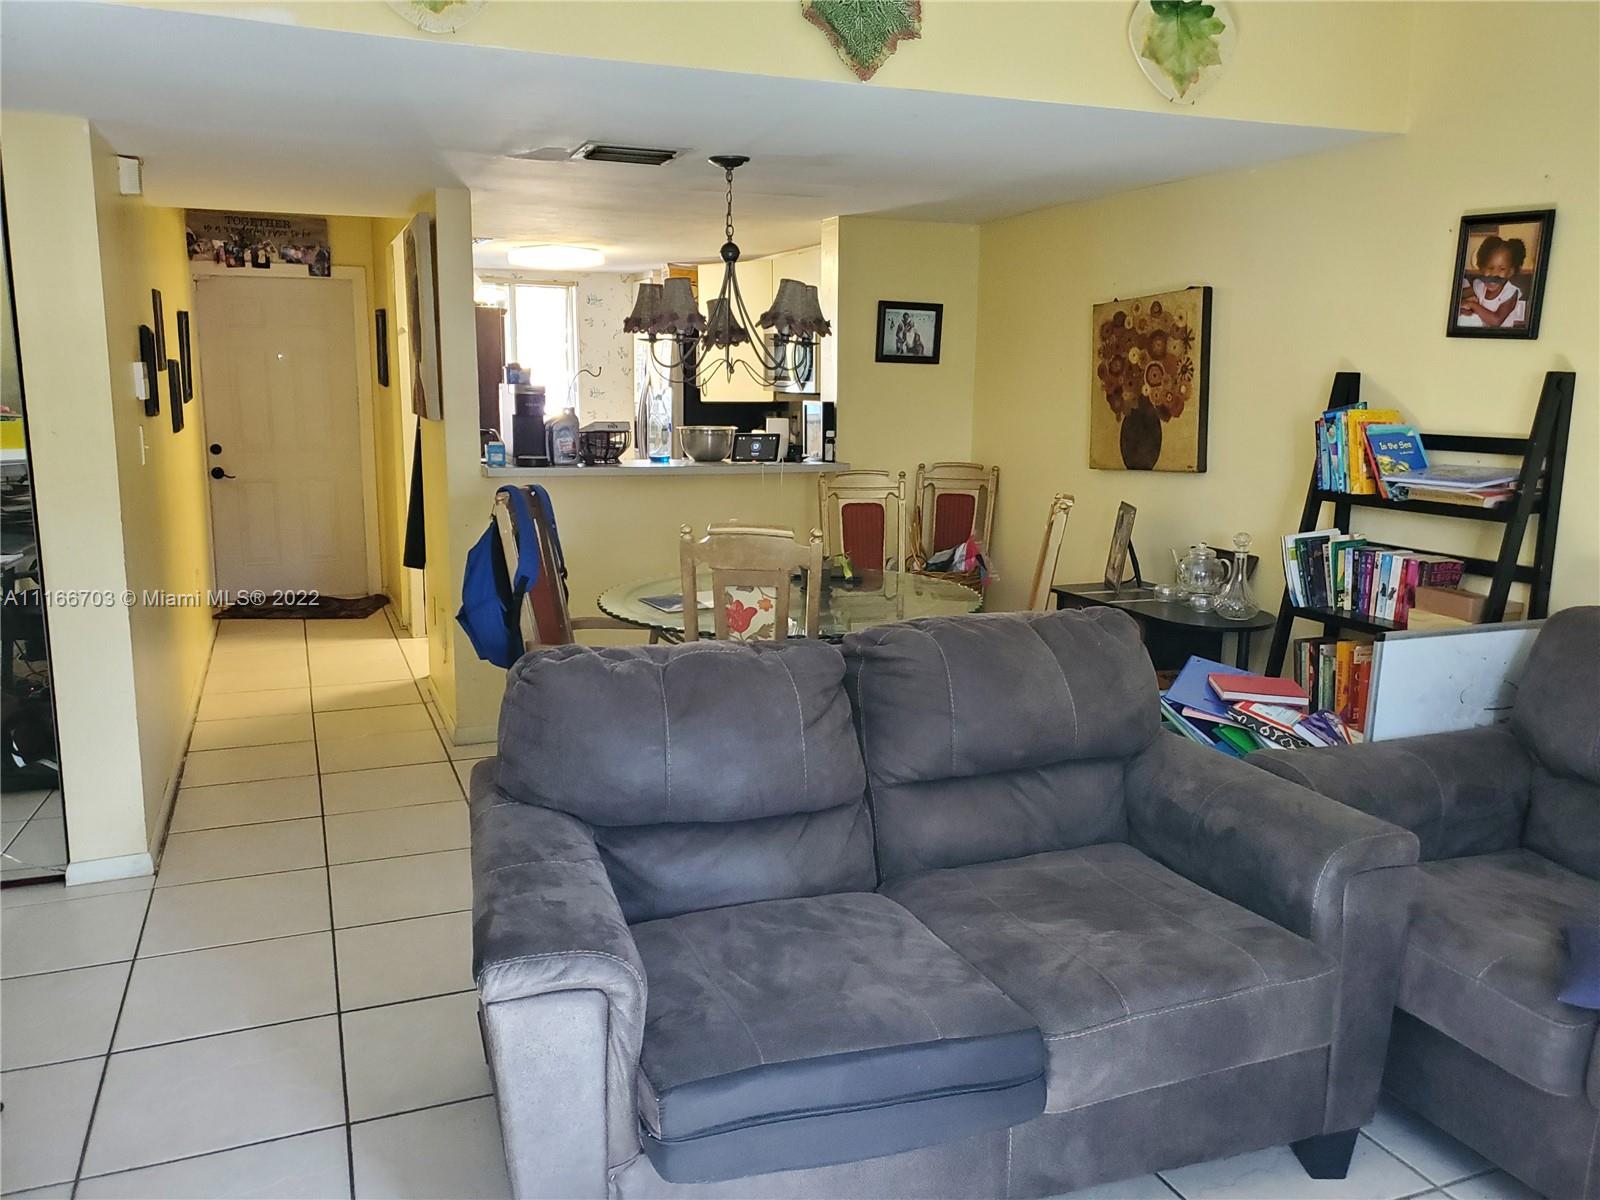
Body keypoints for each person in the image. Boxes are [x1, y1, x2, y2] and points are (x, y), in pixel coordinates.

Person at [1457, 235, 1527, 329]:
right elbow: (1457, 296)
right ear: (1481, 268)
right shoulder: (1480, 285)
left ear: (1510, 272)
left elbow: (1496, 321)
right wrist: (1465, 309)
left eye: (1502, 269)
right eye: (1490, 268)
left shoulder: (1510, 293)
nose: (1494, 274)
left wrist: (1472, 305)